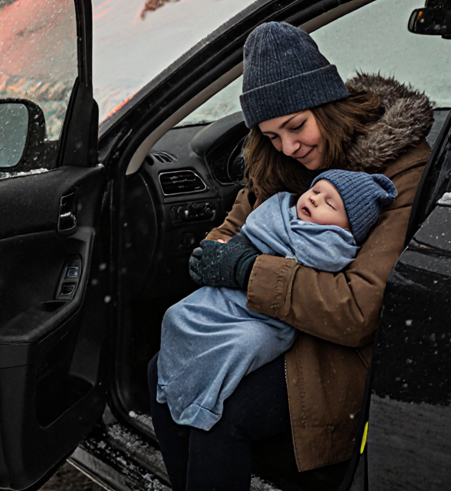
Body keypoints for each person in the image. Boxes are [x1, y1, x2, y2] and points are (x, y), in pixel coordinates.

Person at [147, 21, 434, 490]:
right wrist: (217, 257)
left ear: (328, 105)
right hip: (266, 323)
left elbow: (359, 309)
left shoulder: (398, 167)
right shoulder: (278, 160)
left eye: (296, 126)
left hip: (334, 350)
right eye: (272, 135)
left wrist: (247, 270)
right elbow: (230, 232)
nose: (289, 146)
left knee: (218, 413)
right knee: (162, 372)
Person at [156, 169, 396, 431]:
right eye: (316, 191)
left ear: (346, 228)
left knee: (243, 345)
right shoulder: (279, 209)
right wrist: (214, 252)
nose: (315, 199)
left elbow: (338, 297)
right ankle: (169, 384)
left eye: (330, 204)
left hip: (270, 318)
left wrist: (248, 267)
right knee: (176, 316)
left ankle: (205, 402)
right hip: (230, 297)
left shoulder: (332, 247)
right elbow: (240, 232)